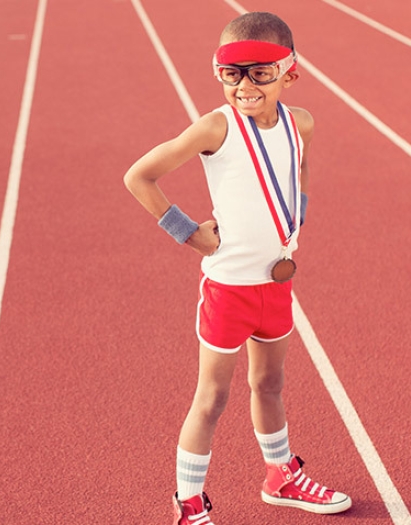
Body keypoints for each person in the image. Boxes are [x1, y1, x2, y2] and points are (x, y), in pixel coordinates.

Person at [123, 11, 351, 524]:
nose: (244, 85)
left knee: (269, 385)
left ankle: (280, 475)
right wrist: (188, 232)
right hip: (229, 288)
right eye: (231, 73)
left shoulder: (302, 122)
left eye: (260, 72)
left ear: (289, 73)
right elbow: (140, 176)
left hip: (276, 285)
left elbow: (302, 166)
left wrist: (298, 217)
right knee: (212, 397)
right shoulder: (215, 128)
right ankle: (189, 504)